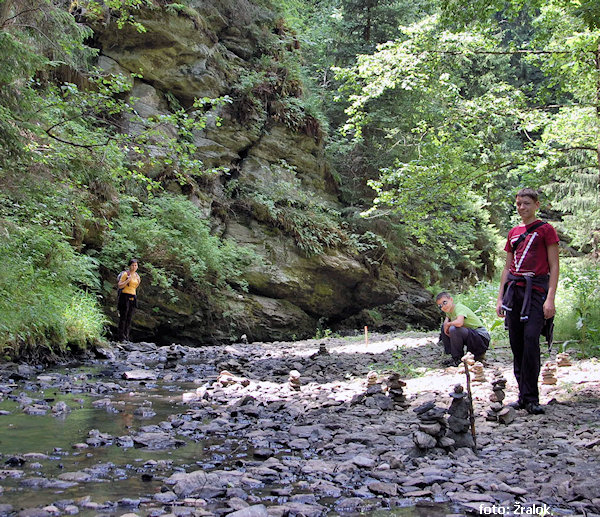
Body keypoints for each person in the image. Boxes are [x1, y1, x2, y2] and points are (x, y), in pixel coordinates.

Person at [496, 188, 559, 415]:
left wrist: (550, 298)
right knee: (517, 342)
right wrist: (500, 298)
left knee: (531, 339)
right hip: (515, 291)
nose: (522, 207)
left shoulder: (545, 230)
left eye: (526, 203)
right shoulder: (513, 232)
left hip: (537, 291)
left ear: (536, 205)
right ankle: (522, 397)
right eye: (519, 204)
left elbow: (554, 266)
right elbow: (507, 267)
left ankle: (532, 397)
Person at [436, 292, 490, 367]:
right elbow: (446, 320)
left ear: (451, 300)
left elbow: (459, 323)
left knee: (454, 328)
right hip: (471, 335)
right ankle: (454, 356)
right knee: (446, 327)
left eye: (445, 302)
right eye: (440, 306)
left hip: (481, 336)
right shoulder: (449, 311)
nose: (443, 307)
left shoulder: (459, 308)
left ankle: (458, 358)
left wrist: (448, 324)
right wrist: (445, 325)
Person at [117, 258, 141, 343]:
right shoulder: (125, 274)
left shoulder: (137, 276)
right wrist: (127, 280)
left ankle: (126, 336)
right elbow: (120, 285)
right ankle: (121, 337)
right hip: (124, 296)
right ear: (129, 266)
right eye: (132, 265)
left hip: (133, 296)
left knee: (129, 317)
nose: (134, 267)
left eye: (136, 265)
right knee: (123, 316)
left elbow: (135, 286)